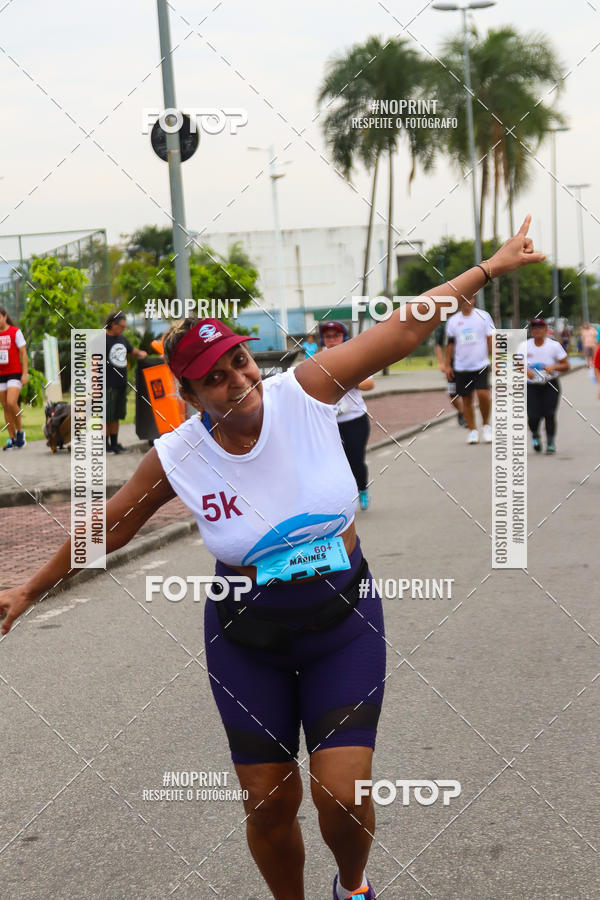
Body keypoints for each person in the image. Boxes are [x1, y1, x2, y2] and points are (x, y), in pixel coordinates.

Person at [0, 216, 545, 900]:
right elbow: (109, 530)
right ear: (190, 396)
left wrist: (488, 268)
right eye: (214, 378)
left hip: (341, 621)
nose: (237, 379)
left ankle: (353, 886)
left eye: (239, 360)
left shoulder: (308, 390)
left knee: (341, 795)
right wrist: (29, 588)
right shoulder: (178, 457)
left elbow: (406, 327)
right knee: (267, 801)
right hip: (245, 639)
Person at [320, 321, 375, 510]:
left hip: (355, 419)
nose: (332, 340)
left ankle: (362, 489)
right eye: (328, 337)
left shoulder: (354, 356)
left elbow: (369, 384)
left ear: (343, 337)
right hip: (330, 422)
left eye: (336, 336)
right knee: (335, 463)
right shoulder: (318, 361)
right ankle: (343, 499)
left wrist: (349, 381)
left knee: (355, 459)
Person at [445, 298, 495, 444]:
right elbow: (450, 344)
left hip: (481, 364)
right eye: (464, 299)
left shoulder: (483, 316)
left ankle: (486, 425)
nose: (467, 302)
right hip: (461, 366)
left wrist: (496, 360)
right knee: (466, 399)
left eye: (470, 298)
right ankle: (472, 430)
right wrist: (448, 365)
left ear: (474, 300)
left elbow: (490, 339)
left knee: (483, 394)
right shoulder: (453, 321)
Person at [522, 317, 570, 454]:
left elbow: (566, 365)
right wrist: (525, 371)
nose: (537, 331)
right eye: (534, 328)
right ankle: (535, 435)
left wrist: (554, 367)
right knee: (533, 415)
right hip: (531, 386)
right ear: (531, 331)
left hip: (550, 384)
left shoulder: (553, 346)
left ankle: (550, 442)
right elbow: (515, 364)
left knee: (549, 414)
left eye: (540, 328)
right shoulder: (524, 346)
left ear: (545, 330)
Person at [104, 311, 147, 453]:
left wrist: (142, 353)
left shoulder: (121, 338)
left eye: (124, 327)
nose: (123, 329)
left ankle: (114, 444)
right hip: (107, 384)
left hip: (121, 382)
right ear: (112, 324)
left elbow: (131, 350)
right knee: (107, 416)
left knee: (116, 415)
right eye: (121, 327)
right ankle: (105, 445)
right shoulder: (102, 339)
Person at [0, 306, 29, 451]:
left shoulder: (15, 332)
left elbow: (23, 353)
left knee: (12, 402)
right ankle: (11, 439)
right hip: (1, 374)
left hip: (14, 373)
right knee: (5, 406)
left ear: (4, 317)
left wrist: (25, 373)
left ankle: (20, 433)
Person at [434, 321, 465, 427]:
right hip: (450, 367)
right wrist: (442, 363)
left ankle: (467, 416)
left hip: (466, 365)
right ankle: (462, 412)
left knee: (466, 392)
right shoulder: (443, 326)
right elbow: (438, 346)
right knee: (453, 395)